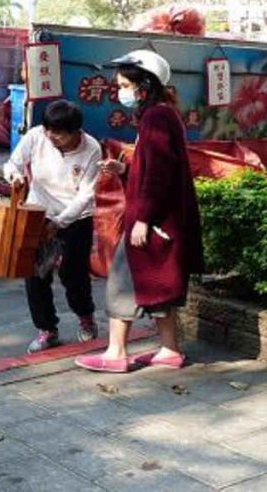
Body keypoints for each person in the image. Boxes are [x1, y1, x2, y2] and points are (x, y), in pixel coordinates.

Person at [75, 50, 204, 373]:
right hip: (165, 220)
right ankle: (169, 350)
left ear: (144, 86)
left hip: (153, 220)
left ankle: (116, 353)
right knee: (159, 284)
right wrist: (123, 169)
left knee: (122, 280)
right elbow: (153, 169)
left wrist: (143, 218)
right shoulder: (162, 115)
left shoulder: (156, 117)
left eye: (124, 85)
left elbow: (159, 174)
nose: (120, 92)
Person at [4, 100, 102, 353]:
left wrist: (59, 223)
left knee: (73, 273)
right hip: (39, 214)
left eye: (59, 132)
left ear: (75, 131)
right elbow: (13, 163)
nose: (52, 136)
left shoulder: (92, 149)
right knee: (36, 274)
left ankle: (86, 317)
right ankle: (47, 329)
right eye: (49, 130)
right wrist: (14, 176)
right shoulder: (37, 136)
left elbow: (85, 196)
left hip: (76, 218)